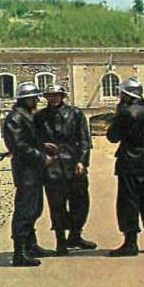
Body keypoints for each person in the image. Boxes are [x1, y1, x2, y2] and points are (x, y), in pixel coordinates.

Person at [106, 76, 144, 257]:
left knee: (128, 201)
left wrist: (118, 116)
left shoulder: (125, 113)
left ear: (126, 94)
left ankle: (130, 242)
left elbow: (112, 136)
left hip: (128, 162)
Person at [36, 83, 96, 254]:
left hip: (73, 163)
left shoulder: (75, 114)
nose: (53, 98)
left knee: (81, 203)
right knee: (57, 204)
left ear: (62, 96)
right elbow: (33, 139)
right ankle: (61, 241)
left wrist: (82, 161)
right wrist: (42, 147)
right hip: (52, 166)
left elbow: (84, 140)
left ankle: (75, 235)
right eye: (49, 95)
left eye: (56, 95)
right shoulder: (40, 117)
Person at [2, 82, 56, 266]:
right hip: (26, 170)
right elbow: (19, 146)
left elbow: (29, 141)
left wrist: (42, 146)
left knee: (35, 207)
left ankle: (30, 244)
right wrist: (41, 157)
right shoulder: (14, 118)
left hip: (32, 170)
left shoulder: (25, 116)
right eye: (33, 98)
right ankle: (20, 251)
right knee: (25, 210)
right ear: (25, 99)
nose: (36, 101)